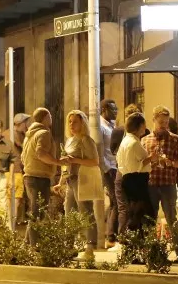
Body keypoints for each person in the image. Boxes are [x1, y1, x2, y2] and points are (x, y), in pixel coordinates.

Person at [142, 105, 178, 263]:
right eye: (161, 122)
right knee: (150, 217)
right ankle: (150, 251)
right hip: (152, 183)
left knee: (172, 217)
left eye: (166, 122)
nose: (164, 125)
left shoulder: (175, 139)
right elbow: (141, 163)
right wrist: (151, 160)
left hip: (168, 183)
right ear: (154, 120)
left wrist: (170, 162)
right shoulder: (145, 140)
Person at [59, 110, 103, 261]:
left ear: (82, 123)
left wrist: (75, 160)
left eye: (75, 121)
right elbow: (66, 163)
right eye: (69, 121)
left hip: (82, 179)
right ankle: (69, 247)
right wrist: (61, 182)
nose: (71, 124)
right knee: (69, 212)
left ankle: (90, 248)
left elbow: (95, 162)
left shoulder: (86, 140)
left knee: (86, 212)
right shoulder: (70, 140)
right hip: (70, 179)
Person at [21, 107, 65, 245]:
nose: (51, 118)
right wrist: (57, 162)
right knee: (38, 212)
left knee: (36, 210)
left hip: (29, 176)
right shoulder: (44, 133)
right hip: (39, 178)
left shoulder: (29, 135)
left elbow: (23, 157)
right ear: (46, 117)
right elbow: (41, 153)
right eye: (50, 116)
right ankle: (34, 246)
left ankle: (26, 244)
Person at [116, 112, 153, 236]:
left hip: (127, 178)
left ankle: (132, 239)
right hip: (137, 180)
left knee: (134, 211)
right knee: (141, 213)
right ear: (140, 126)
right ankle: (136, 239)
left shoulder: (125, 141)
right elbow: (140, 163)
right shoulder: (134, 143)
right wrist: (152, 157)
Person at [98, 100, 121, 246]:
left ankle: (112, 233)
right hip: (108, 168)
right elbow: (100, 150)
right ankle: (110, 236)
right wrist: (106, 169)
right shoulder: (100, 127)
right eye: (113, 109)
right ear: (104, 109)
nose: (116, 111)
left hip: (116, 166)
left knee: (115, 202)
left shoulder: (113, 126)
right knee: (116, 202)